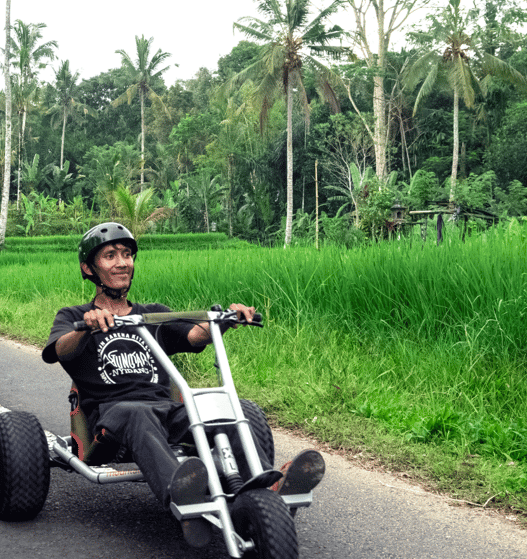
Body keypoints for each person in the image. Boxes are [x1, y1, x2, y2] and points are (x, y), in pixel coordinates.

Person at [42, 222, 324, 547]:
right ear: (89, 268)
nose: (122, 262)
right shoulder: (75, 316)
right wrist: (86, 327)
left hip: (167, 411)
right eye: (110, 256)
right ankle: (183, 496)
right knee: (137, 413)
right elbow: (60, 350)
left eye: (127, 254)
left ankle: (265, 487)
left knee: (221, 410)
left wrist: (226, 320)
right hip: (112, 418)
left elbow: (194, 335)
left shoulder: (153, 315)